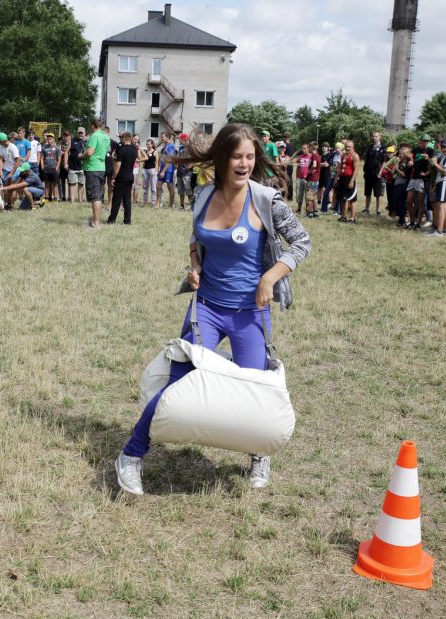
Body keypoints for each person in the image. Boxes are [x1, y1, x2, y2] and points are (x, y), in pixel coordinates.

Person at [114, 123, 312, 496]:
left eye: (250, 157)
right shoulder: (203, 195)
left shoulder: (267, 200)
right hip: (205, 308)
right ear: (221, 159)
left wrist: (269, 278)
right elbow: (196, 236)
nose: (244, 164)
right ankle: (131, 455)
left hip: (250, 314)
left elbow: (301, 242)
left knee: (253, 392)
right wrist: (195, 267)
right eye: (237, 156)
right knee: (178, 383)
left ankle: (258, 455)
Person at [81, 118, 109, 228]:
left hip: (93, 168)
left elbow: (89, 152)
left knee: (95, 196)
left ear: (93, 126)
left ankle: (96, 222)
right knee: (98, 195)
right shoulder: (106, 136)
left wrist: (81, 156)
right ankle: (95, 219)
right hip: (102, 167)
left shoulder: (94, 136)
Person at [107, 131, 137, 225]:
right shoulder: (134, 149)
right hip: (130, 176)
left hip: (121, 176)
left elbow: (117, 165)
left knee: (116, 199)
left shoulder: (122, 149)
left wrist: (113, 177)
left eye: (121, 138)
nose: (120, 139)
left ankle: (112, 220)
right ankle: (127, 220)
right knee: (127, 199)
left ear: (124, 138)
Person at [406, 136, 433, 230]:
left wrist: (428, 158)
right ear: (420, 141)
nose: (425, 142)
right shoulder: (416, 149)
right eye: (423, 141)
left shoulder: (430, 150)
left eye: (427, 141)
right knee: (409, 201)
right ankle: (412, 221)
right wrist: (410, 161)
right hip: (413, 177)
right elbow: (411, 157)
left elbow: (433, 163)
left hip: (422, 179)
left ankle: (418, 223)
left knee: (421, 202)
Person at [429, 139, 446, 237]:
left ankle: (439, 231)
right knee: (443, 206)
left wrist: (435, 164)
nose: (443, 148)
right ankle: (444, 229)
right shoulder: (444, 156)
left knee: (440, 205)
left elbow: (445, 172)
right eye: (442, 146)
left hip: (444, 182)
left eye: (445, 147)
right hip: (441, 182)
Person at [335, 140, 360, 223]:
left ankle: (352, 218)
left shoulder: (355, 156)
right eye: (346, 146)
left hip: (350, 178)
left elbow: (356, 170)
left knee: (352, 199)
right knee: (343, 198)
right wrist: (336, 178)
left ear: (353, 147)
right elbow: (340, 167)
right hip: (342, 178)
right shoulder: (343, 155)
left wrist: (352, 181)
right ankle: (343, 216)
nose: (347, 148)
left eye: (349, 146)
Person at [362, 130, 385, 215]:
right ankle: (367, 209)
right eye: (373, 136)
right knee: (367, 192)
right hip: (368, 173)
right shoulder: (370, 147)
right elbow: (366, 159)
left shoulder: (383, 148)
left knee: (378, 194)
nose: (374, 138)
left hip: (377, 173)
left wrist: (380, 172)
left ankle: (378, 210)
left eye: (376, 136)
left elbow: (384, 161)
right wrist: (364, 170)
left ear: (380, 137)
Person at [156, 131, 176, 209]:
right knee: (158, 185)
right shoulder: (165, 146)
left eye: (163, 137)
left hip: (169, 170)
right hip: (162, 168)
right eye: (161, 137)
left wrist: (164, 171)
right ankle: (157, 204)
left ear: (167, 137)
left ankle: (170, 205)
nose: (161, 138)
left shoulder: (171, 146)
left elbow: (170, 160)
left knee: (170, 186)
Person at [40, 132, 61, 201]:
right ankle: (46, 197)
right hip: (46, 168)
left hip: (54, 168)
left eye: (51, 139)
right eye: (48, 139)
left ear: (53, 139)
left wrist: (57, 168)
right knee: (46, 184)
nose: (49, 140)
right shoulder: (44, 148)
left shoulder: (57, 148)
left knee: (54, 185)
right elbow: (42, 158)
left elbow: (59, 159)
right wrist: (42, 167)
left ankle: (55, 198)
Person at [68, 127, 86, 202]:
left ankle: (80, 200)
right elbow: (66, 152)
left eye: (82, 133)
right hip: (73, 166)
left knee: (81, 184)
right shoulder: (72, 141)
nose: (80, 134)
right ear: (77, 133)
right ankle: (72, 200)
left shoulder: (87, 142)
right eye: (79, 133)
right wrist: (66, 164)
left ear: (84, 133)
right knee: (72, 184)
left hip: (83, 167)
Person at [140, 138, 158, 206]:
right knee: (145, 186)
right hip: (145, 170)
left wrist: (156, 170)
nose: (147, 145)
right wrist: (142, 169)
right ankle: (145, 200)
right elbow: (143, 159)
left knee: (153, 186)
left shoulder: (155, 152)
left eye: (148, 144)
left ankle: (153, 200)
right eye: (146, 144)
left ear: (152, 144)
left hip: (152, 170)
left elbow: (157, 162)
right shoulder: (145, 151)